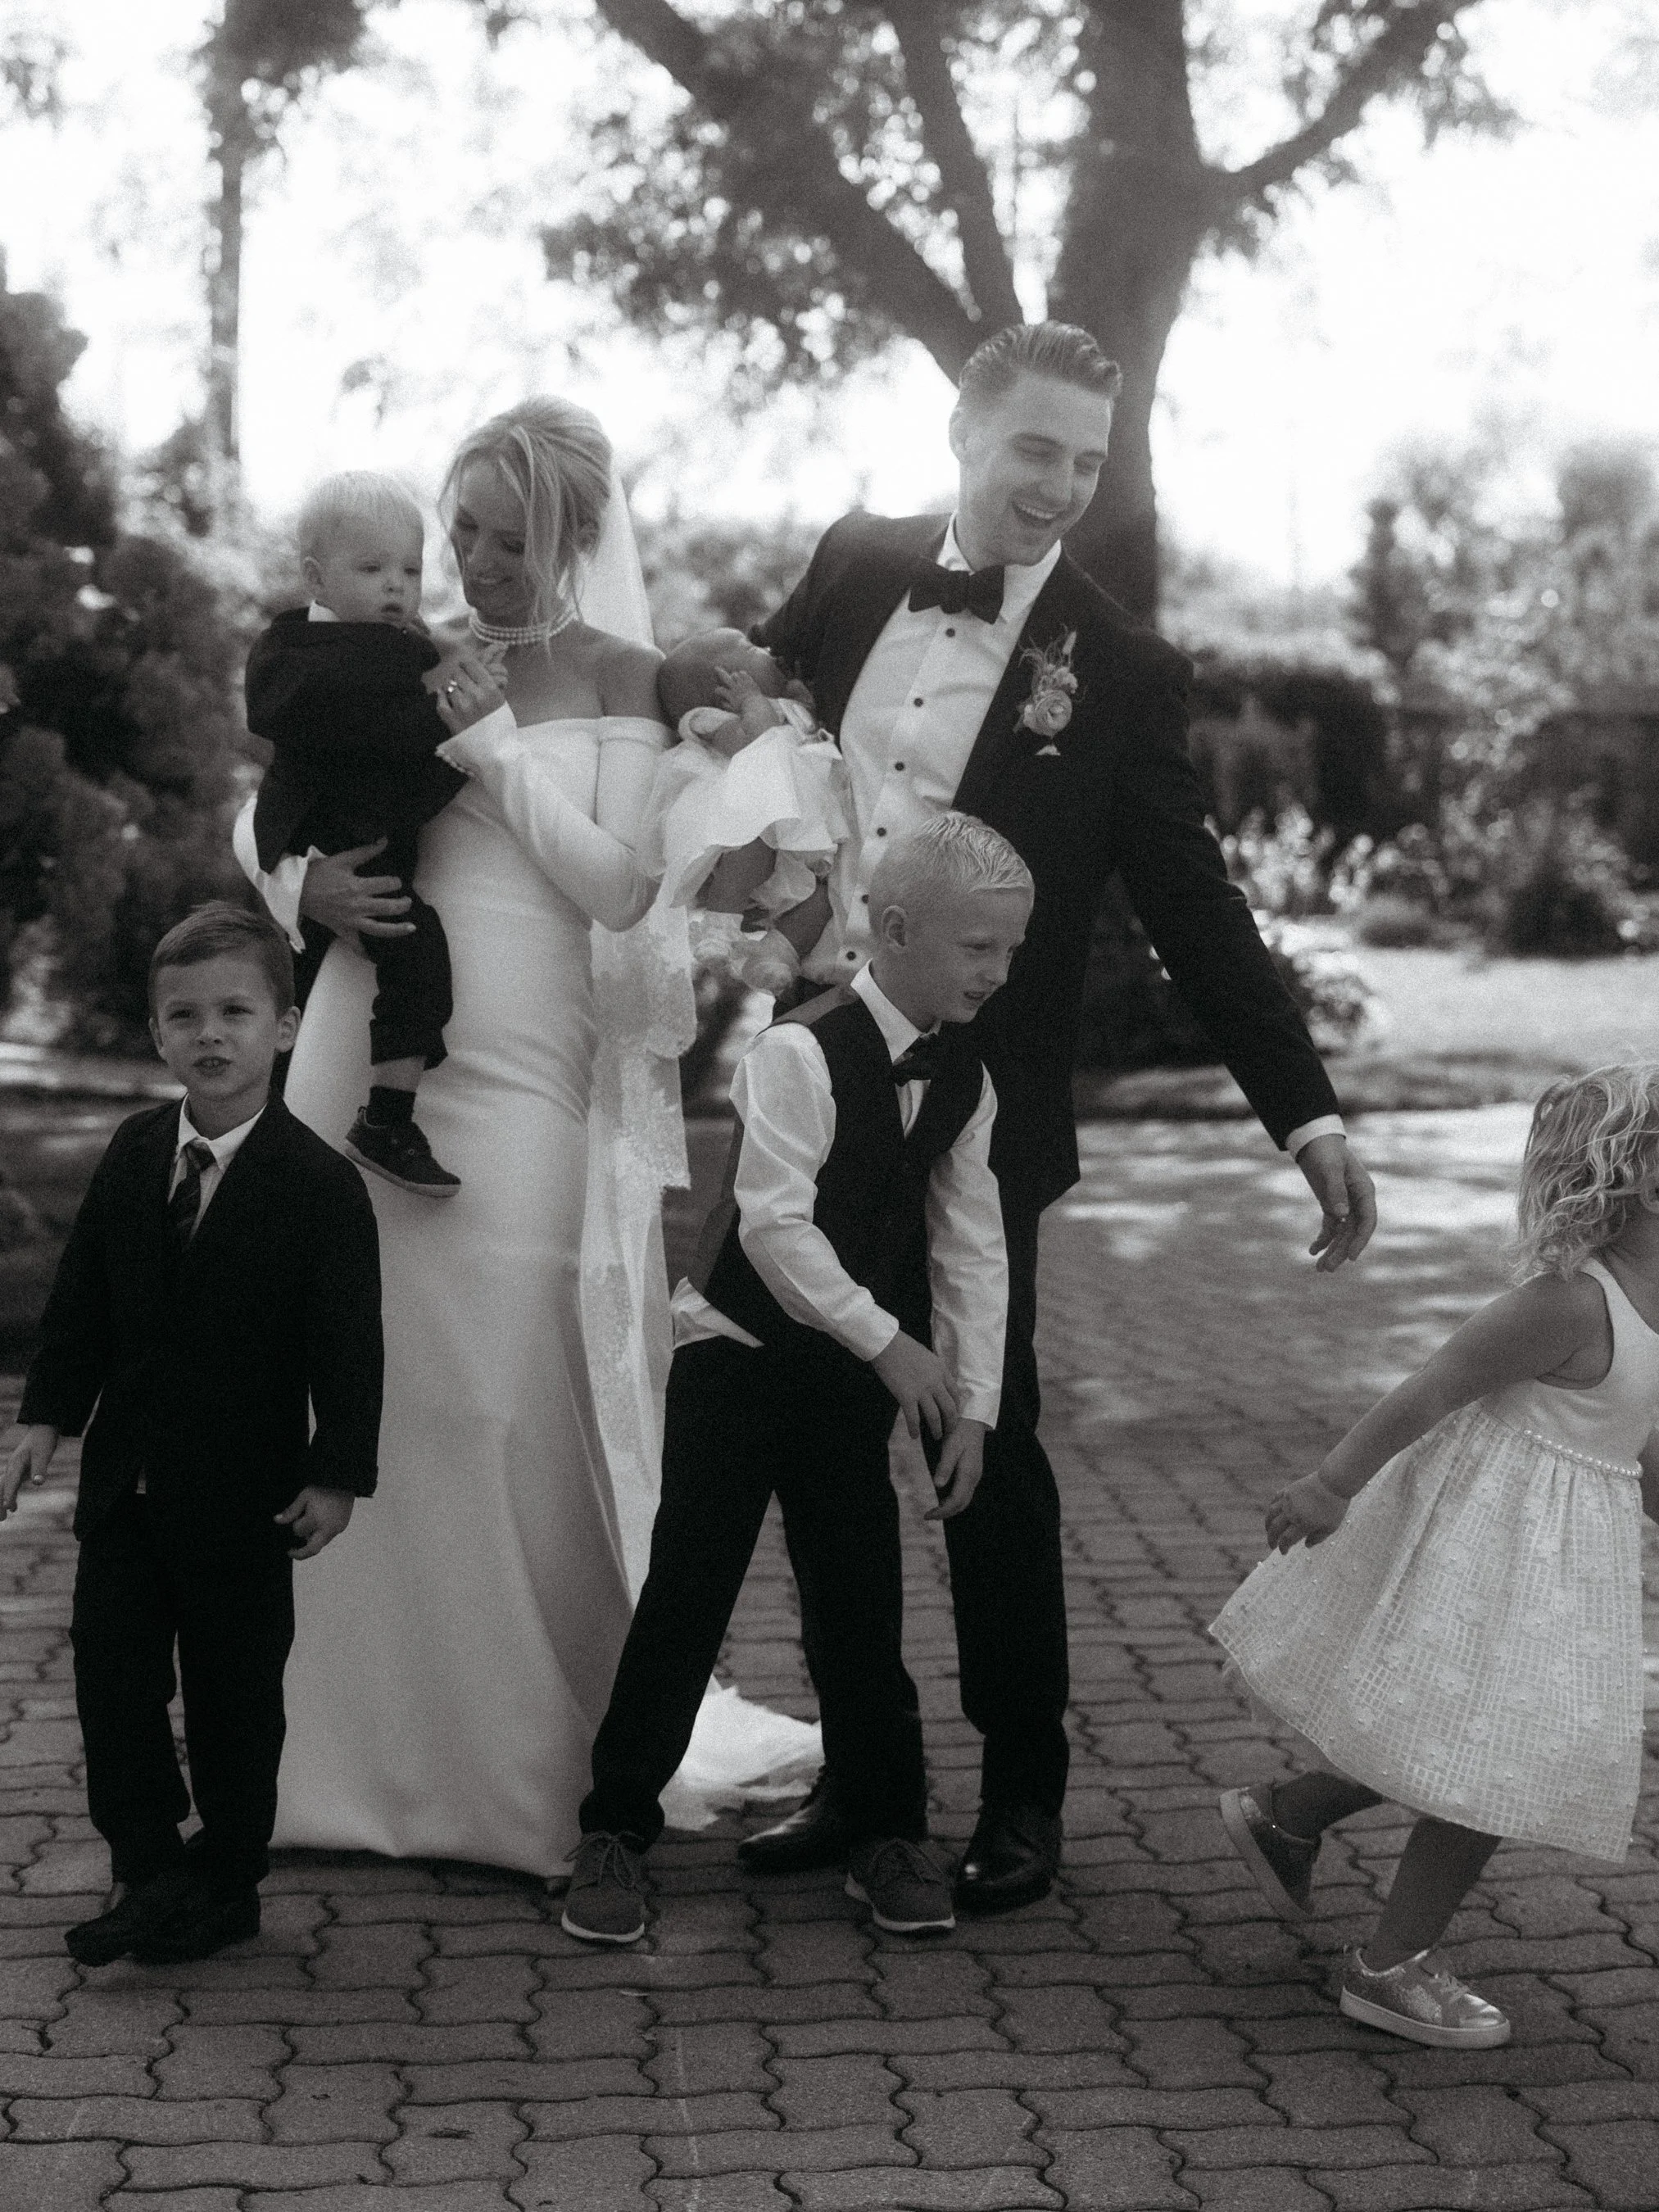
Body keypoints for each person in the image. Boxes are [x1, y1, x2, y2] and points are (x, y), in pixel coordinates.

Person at [737, 320, 1379, 1915]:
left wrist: (1304, 1117)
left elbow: (1194, 905)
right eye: (1035, 449)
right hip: (814, 1081)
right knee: (816, 1448)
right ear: (964, 430)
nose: (1059, 487)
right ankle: (863, 1779)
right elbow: (752, 730)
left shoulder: (1123, 666)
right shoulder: (853, 560)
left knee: (985, 1444)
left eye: (1086, 463)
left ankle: (1023, 1793)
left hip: (980, 1111)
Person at [233, 398, 817, 1879]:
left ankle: (517, 1771)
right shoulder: (396, 650)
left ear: (575, 538)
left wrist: (489, 746)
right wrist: (298, 888)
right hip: (359, 1042)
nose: (481, 565)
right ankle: (323, 1765)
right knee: (332, 1382)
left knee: (495, 1396)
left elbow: (617, 889)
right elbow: (268, 801)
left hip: (527, 1065)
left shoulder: (625, 680)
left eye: (512, 538)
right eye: (465, 534)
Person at [563, 813, 1028, 1947]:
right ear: (896, 930)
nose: (998, 972)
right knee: (689, 1595)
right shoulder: (798, 1052)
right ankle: (613, 1830)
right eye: (978, 947)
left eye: (1011, 950)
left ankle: (884, 1829)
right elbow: (775, 1229)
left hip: (844, 1375)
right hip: (739, 1352)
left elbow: (973, 1247)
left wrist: (973, 1407)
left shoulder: (967, 1076)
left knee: (861, 1602)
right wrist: (892, 1343)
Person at [1211, 1066, 1659, 2049]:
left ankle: (1286, 1816)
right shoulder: (1567, 1303)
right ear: (1645, 1183)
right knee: (1494, 1754)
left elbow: (1638, 1435)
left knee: (1462, 1732)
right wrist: (1332, 1484)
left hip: (1565, 1567)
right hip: (1493, 1546)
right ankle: (1389, 1968)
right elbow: (1435, 1386)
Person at [0, 904, 382, 1965]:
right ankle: (149, 1864)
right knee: (113, 1679)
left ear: (285, 1026)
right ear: (158, 1035)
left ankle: (228, 1877)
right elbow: (83, 1301)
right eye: (185, 1017)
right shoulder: (134, 1153)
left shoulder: (319, 1187)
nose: (210, 1034)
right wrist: (45, 1417)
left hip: (244, 1498)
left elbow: (349, 1345)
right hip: (125, 1490)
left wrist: (339, 1473)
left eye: (234, 1013)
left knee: (233, 1698)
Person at [245, 470, 505, 1196]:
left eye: (410, 571)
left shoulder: (401, 650)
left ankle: (361, 1123)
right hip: (332, 847)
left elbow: (406, 766)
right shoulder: (305, 659)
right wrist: (458, 728)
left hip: (371, 843)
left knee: (394, 976)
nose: (396, 585)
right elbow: (383, 744)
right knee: (396, 967)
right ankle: (382, 1121)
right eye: (372, 569)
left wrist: (453, 711)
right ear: (315, 578)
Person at [644, 627, 848, 994]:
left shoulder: (783, 704)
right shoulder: (713, 722)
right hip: (757, 824)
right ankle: (720, 925)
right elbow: (759, 739)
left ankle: (777, 954)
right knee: (750, 853)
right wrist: (752, 701)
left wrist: (797, 699)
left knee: (826, 900)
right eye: (751, 648)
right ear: (726, 687)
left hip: (803, 829)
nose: (769, 650)